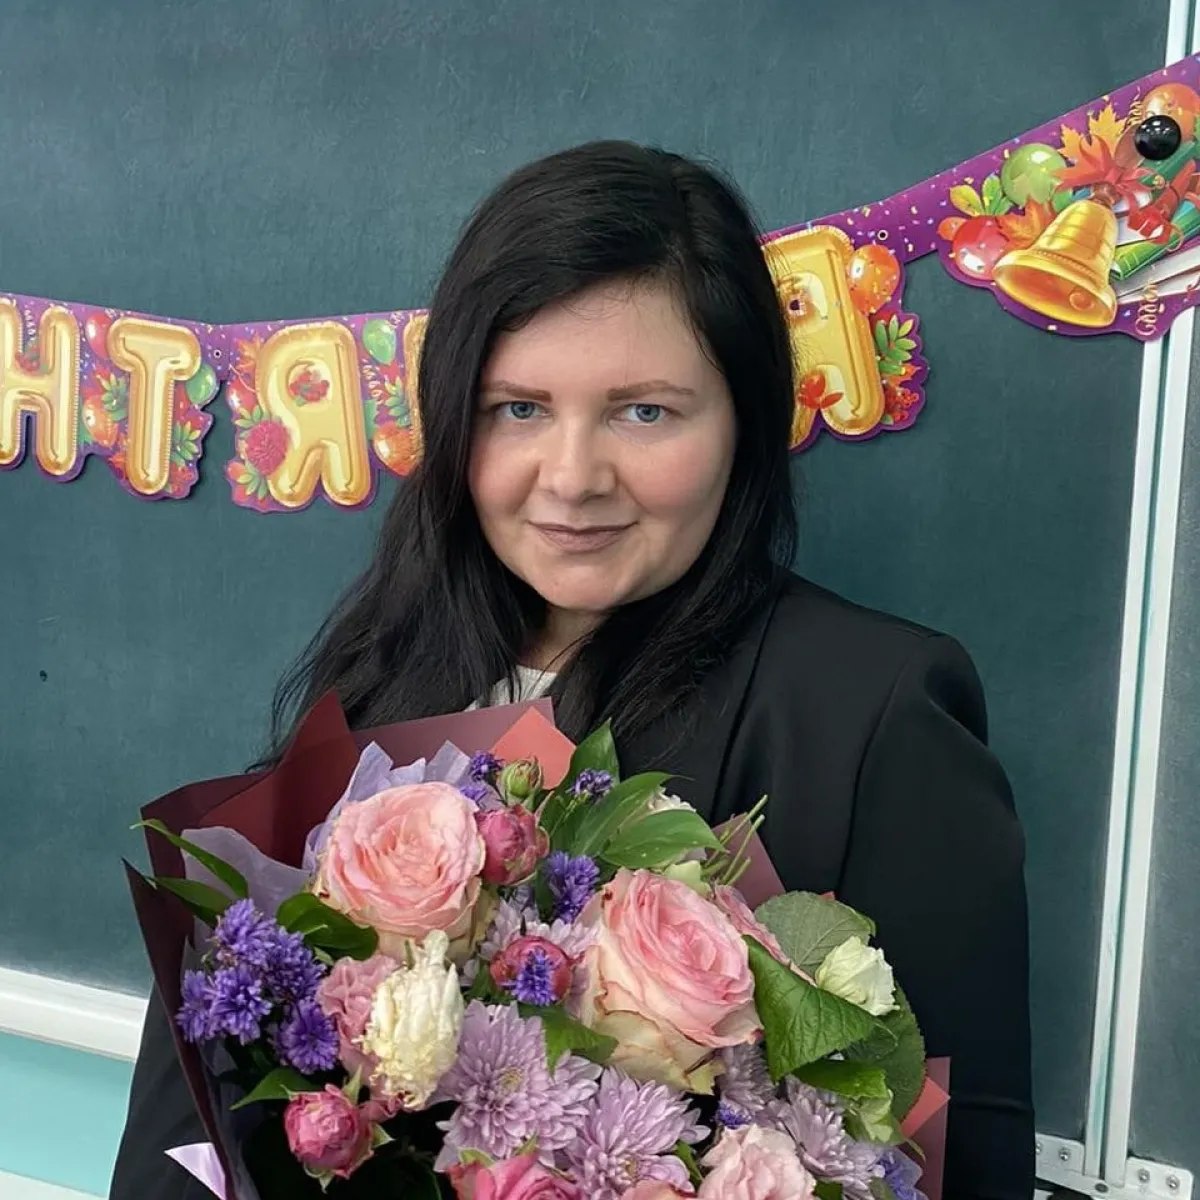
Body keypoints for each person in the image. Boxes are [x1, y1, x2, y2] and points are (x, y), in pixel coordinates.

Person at [111, 140, 1033, 1199]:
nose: (572, 476)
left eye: (646, 411)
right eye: (519, 408)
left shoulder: (875, 713)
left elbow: (964, 1166)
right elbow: (193, 1108)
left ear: (745, 420)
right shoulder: (381, 669)